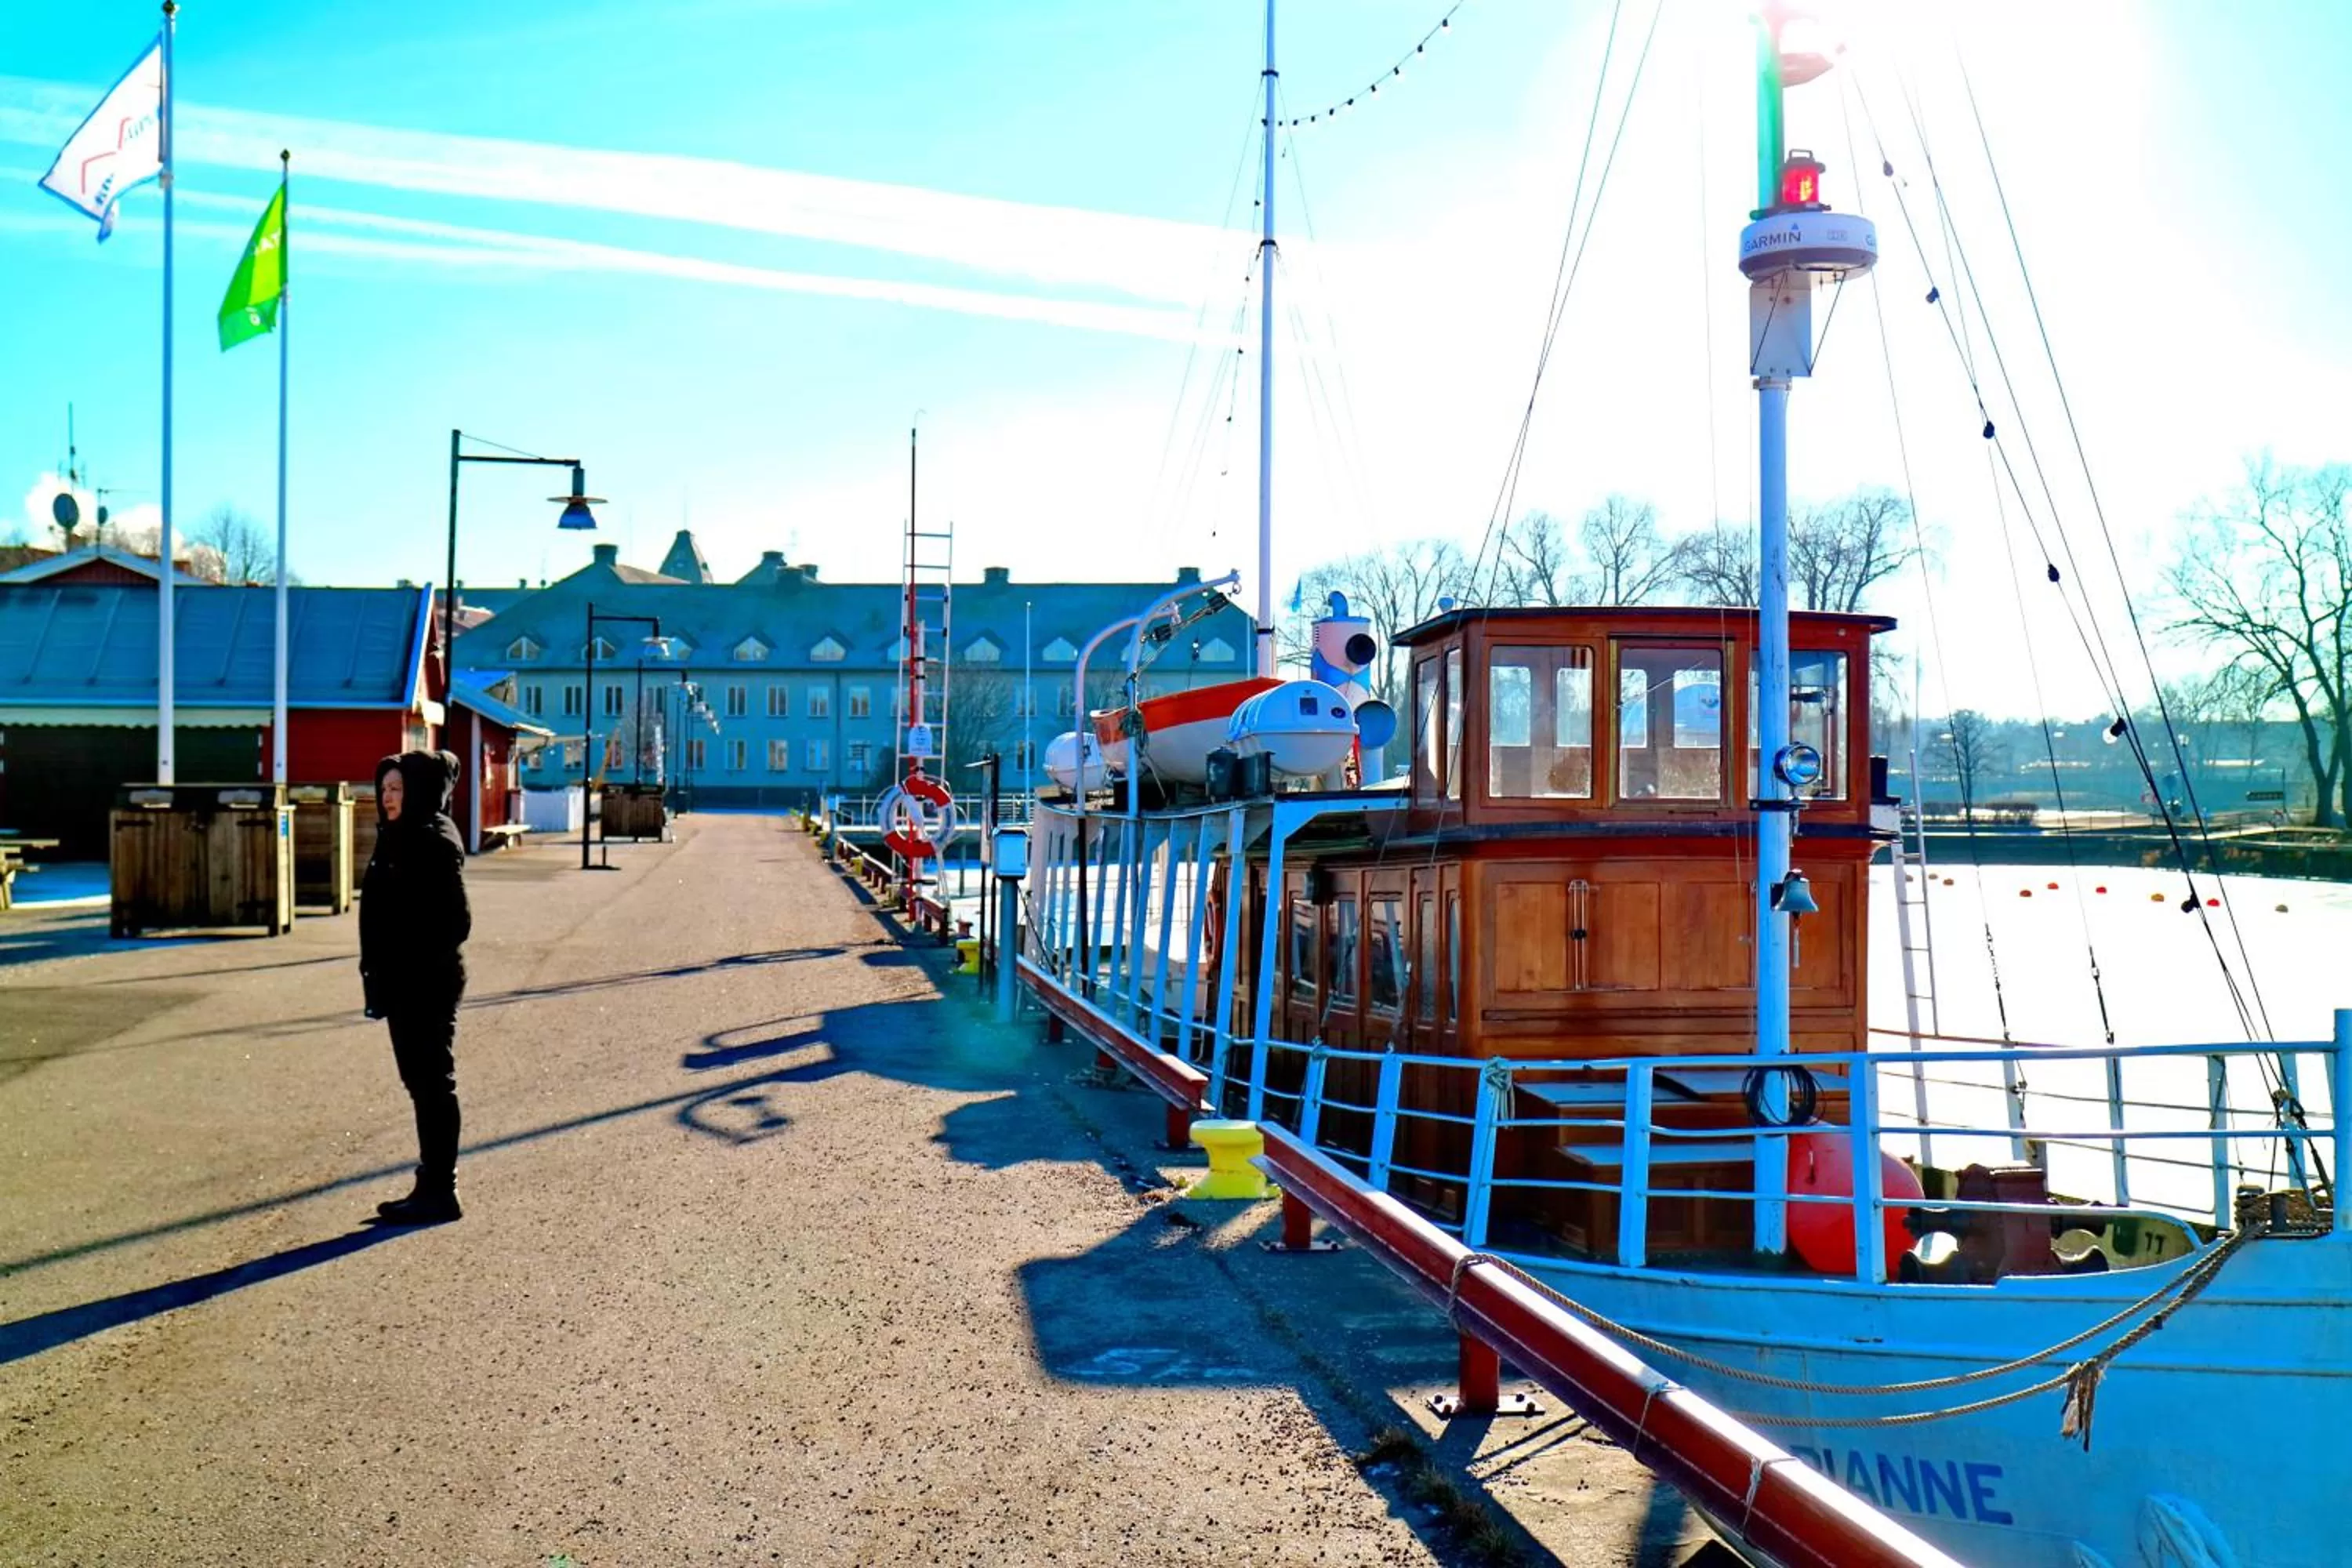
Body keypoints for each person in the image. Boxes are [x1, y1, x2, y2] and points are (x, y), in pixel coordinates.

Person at [358, 750, 472, 1225]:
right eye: (384, 789)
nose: (387, 798)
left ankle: (440, 1191)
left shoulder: (431, 839)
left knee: (432, 1084)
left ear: (419, 792)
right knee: (422, 1084)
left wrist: (409, 963)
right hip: (405, 983)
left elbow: (456, 922)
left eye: (397, 789)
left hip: (424, 985)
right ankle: (431, 1184)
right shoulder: (401, 834)